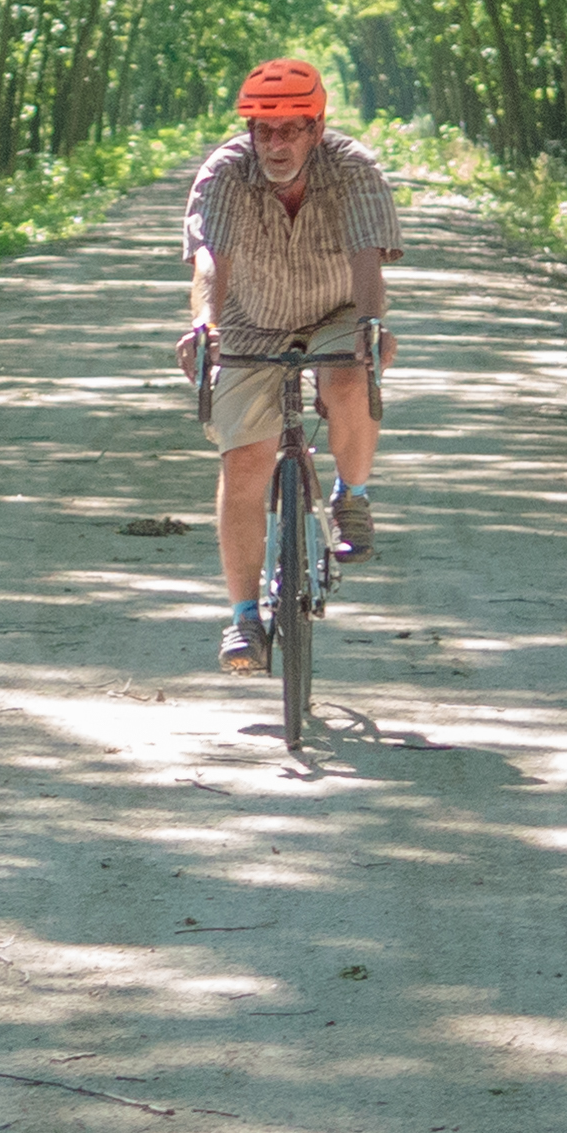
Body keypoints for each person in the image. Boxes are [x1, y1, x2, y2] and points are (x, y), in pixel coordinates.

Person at [175, 57, 398, 674]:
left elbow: (367, 258)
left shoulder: (352, 168)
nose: (276, 144)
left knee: (351, 376)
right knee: (244, 458)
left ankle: (352, 494)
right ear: (248, 132)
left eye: (292, 129)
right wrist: (204, 325)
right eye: (263, 131)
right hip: (250, 316)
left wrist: (369, 327)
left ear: (317, 128)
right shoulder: (224, 172)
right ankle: (245, 616)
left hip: (336, 308)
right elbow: (209, 260)